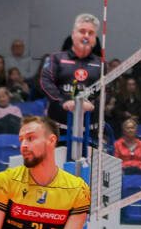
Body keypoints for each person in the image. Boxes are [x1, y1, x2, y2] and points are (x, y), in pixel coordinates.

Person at [39, 14, 103, 144]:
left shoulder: (101, 64)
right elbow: (45, 82)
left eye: (91, 33)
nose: (86, 36)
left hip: (89, 130)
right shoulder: (56, 58)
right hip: (58, 129)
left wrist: (91, 104)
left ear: (94, 39)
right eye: (82, 31)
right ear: (73, 34)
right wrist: (63, 102)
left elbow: (107, 90)